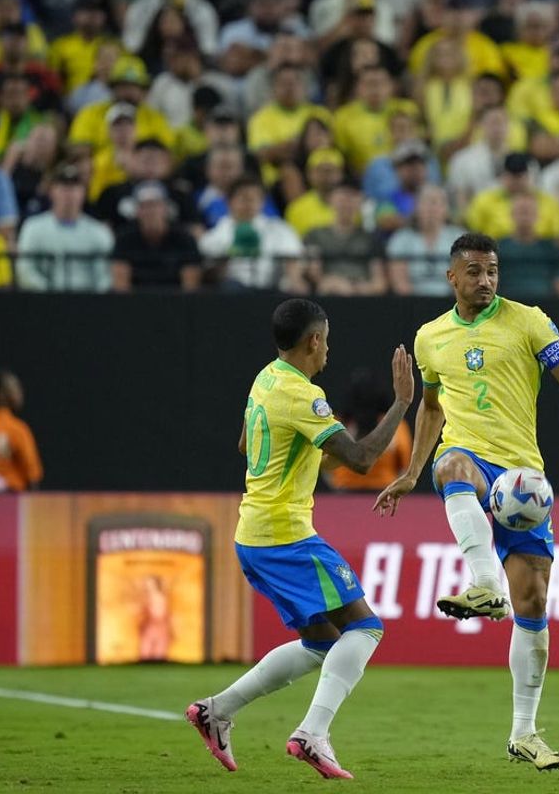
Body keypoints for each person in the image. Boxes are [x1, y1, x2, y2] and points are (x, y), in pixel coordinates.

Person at [373, 232, 559, 771]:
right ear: (451, 277)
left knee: (532, 605)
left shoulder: (530, 320)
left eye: (492, 271)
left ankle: (524, 733)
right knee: (451, 464)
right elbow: (433, 409)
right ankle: (484, 583)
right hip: (471, 455)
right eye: (474, 271)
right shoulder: (429, 337)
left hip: (525, 479)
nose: (485, 280)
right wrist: (413, 472)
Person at [186, 298, 415, 780]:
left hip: (254, 533)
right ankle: (312, 733)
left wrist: (309, 456)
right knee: (367, 628)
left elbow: (248, 447)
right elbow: (360, 459)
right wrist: (401, 403)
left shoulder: (265, 379)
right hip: (285, 536)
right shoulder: (302, 394)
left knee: (320, 642)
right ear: (313, 341)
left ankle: (216, 710)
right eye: (326, 339)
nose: (328, 349)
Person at [15, 164, 114, 292]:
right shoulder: (33, 227)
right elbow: (25, 270)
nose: (69, 194)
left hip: (89, 303)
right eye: (63, 188)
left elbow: (106, 274)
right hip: (44, 303)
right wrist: (49, 295)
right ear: (52, 192)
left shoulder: (99, 231)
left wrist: (92, 298)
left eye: (74, 188)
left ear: (84, 192)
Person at [111, 181, 203, 292]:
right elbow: (121, 286)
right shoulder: (124, 239)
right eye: (144, 206)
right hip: (135, 303)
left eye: (155, 205)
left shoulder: (185, 239)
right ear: (137, 211)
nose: (150, 211)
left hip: (176, 303)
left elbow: (190, 287)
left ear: (165, 208)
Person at [0, 369, 42, 492]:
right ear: (1, 394)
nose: (19, 393)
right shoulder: (16, 429)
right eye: (14, 388)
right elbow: (32, 476)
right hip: (9, 501)